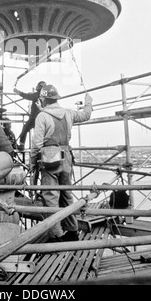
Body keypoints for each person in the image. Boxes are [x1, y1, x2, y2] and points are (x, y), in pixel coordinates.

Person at [30, 84, 93, 242]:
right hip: (66, 157)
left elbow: (37, 144)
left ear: (43, 99)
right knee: (66, 195)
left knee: (51, 198)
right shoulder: (68, 113)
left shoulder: (42, 116)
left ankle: (56, 235)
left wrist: (32, 164)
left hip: (50, 159)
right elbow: (85, 115)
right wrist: (88, 102)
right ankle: (72, 231)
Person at [13, 81, 46, 150]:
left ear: (39, 87)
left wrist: (17, 91)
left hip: (34, 118)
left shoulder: (37, 95)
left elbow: (27, 96)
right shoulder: (44, 95)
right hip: (42, 118)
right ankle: (43, 146)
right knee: (41, 133)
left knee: (25, 128)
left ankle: (22, 145)